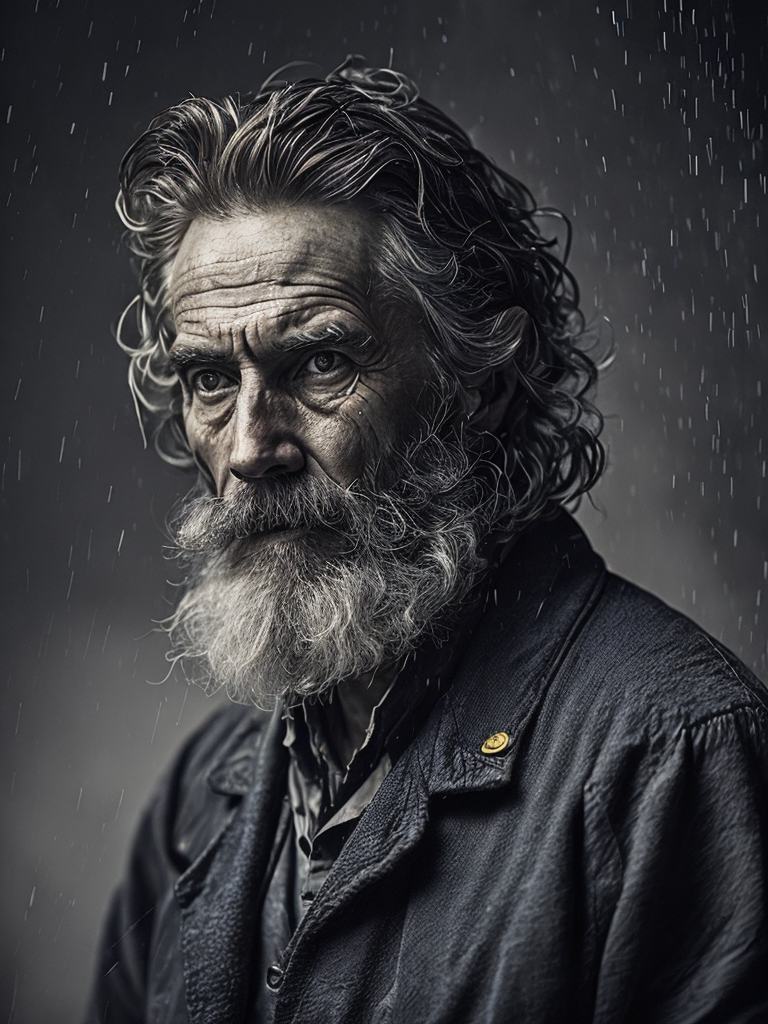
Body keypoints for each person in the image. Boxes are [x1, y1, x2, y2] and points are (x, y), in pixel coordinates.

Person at [85, 60, 768, 1024]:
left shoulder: (675, 758)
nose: (249, 447)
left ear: (482, 382)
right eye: (207, 379)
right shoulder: (206, 793)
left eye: (320, 361)